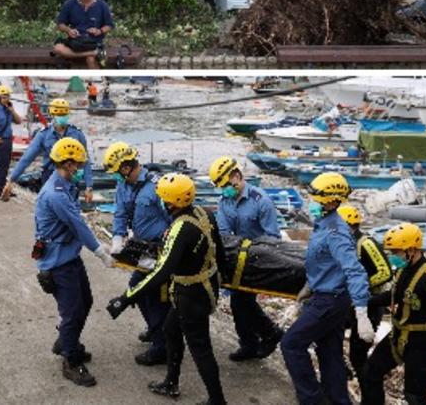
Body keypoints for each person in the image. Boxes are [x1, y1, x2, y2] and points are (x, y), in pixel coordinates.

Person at [107, 174, 227, 405]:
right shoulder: (205, 213)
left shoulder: (179, 229)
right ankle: (171, 383)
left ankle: (217, 400)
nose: (160, 200)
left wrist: (125, 298)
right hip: (206, 286)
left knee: (201, 348)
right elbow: (219, 252)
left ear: (171, 203)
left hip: (190, 294)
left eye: (163, 197)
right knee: (171, 329)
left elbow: (161, 273)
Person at [281, 173, 373, 405]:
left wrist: (361, 312)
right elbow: (325, 263)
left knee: (291, 344)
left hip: (329, 301)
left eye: (316, 199)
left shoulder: (336, 233)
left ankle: (312, 399)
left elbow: (355, 271)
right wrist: (310, 285)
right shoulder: (323, 224)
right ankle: (339, 400)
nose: (311, 202)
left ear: (331, 202)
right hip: (328, 296)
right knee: (329, 352)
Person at [33, 137, 114, 387]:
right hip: (58, 262)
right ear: (67, 164)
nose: (79, 170)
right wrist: (101, 251)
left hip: (69, 256)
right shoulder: (55, 194)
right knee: (72, 312)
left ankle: (67, 341)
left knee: (85, 302)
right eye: (77, 166)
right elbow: (78, 225)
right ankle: (70, 360)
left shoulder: (64, 185)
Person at [360, 223, 426, 405]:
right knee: (370, 373)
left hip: (422, 343)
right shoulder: (404, 270)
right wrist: (364, 300)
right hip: (398, 336)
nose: (393, 257)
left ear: (412, 250)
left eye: (396, 252)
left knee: (415, 396)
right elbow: (396, 295)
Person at [209, 155, 285, 361]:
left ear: (236, 176)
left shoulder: (261, 201)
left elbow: (272, 238)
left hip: (257, 260)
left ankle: (268, 334)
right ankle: (252, 342)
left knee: (242, 302)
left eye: (225, 184)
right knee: (238, 303)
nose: (224, 189)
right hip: (235, 259)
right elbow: (224, 232)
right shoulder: (225, 201)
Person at [103, 141, 172, 366]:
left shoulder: (157, 186)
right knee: (139, 292)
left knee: (152, 294)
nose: (117, 177)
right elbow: (121, 213)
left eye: (117, 172)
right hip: (141, 247)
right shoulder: (123, 185)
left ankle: (162, 347)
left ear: (126, 168)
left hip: (161, 250)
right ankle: (155, 330)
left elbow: (175, 218)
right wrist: (117, 238)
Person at [336, 204, 392, 385]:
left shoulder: (366, 244)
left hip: (370, 304)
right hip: (351, 302)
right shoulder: (345, 243)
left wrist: (360, 288)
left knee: (358, 354)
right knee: (330, 332)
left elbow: (384, 272)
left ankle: (368, 389)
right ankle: (342, 372)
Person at [6, 98, 92, 202]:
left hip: (71, 176)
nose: (62, 118)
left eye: (64, 115)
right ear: (52, 115)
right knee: (50, 205)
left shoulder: (77, 134)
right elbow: (27, 158)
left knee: (70, 206)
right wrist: (12, 180)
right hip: (50, 175)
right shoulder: (43, 135)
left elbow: (85, 160)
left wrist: (89, 186)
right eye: (59, 115)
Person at [52, 0, 115, 69]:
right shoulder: (69, 4)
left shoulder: (102, 5)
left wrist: (99, 31)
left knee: (90, 59)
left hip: (93, 42)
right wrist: (69, 30)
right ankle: (95, 53)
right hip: (76, 42)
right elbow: (60, 24)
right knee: (57, 48)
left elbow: (109, 25)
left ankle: (97, 77)